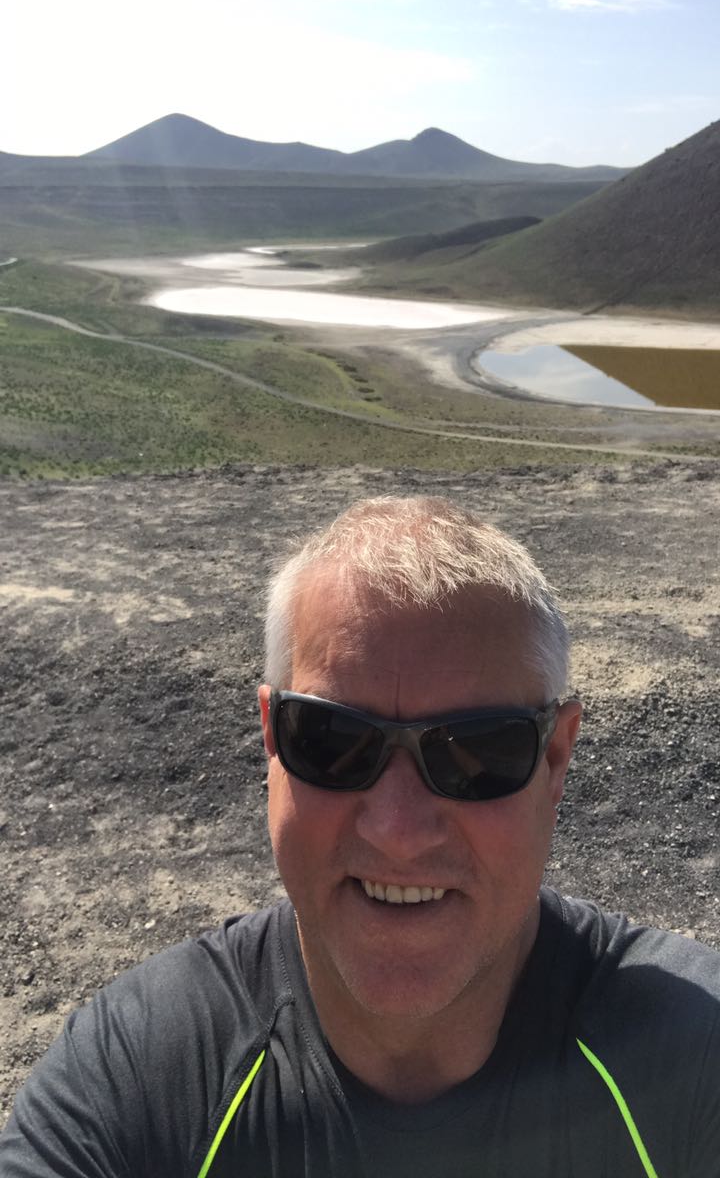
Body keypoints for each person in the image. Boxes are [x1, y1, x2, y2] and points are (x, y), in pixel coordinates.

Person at [1, 495, 719, 1177]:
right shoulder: (140, 1075)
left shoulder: (695, 1054)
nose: (397, 831)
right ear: (272, 739)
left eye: (477, 751)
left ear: (556, 759)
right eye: (332, 740)